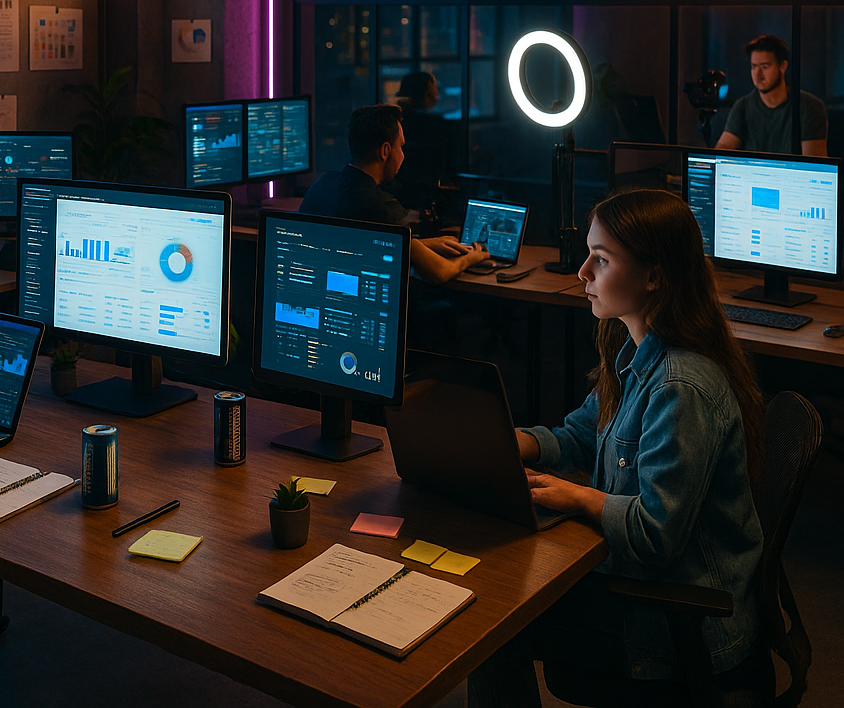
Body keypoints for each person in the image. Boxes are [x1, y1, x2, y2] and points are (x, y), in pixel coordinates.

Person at [468, 188, 770, 706]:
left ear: (655, 276)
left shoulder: (681, 385)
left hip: (676, 619)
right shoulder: (635, 351)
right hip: (646, 586)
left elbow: (656, 534)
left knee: (489, 627)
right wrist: (500, 444)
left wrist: (569, 496)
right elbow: (582, 435)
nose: (582, 272)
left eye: (601, 260)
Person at [299, 103, 489, 284]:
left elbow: (362, 247)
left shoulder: (322, 185)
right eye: (401, 146)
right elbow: (440, 272)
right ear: (385, 151)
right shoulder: (380, 208)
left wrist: (427, 244)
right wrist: (473, 257)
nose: (403, 155)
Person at [716, 34, 827, 156]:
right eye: (753, 67)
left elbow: (813, 162)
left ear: (783, 66)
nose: (758, 74)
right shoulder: (743, 106)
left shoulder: (809, 107)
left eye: (765, 67)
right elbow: (724, 148)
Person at [387, 71, 455, 213]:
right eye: (433, 88)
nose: (436, 92)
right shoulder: (431, 123)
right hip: (424, 188)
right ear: (426, 93)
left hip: (399, 187)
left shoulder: (396, 117)